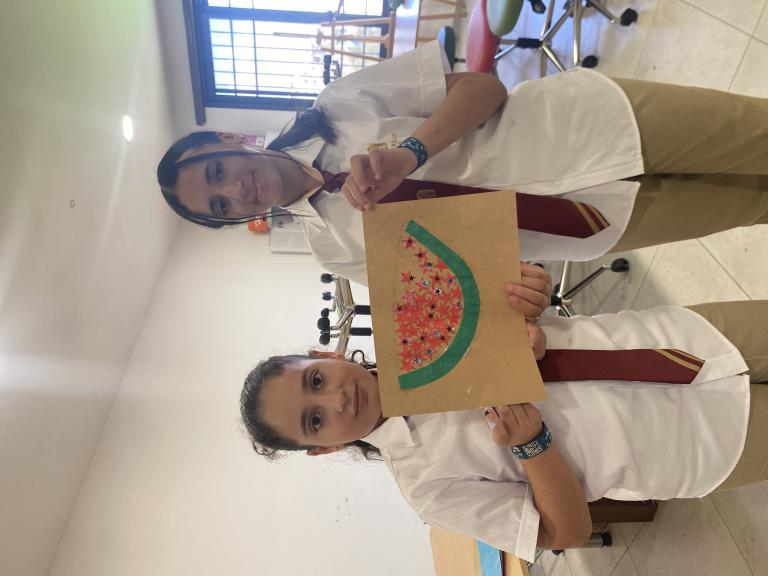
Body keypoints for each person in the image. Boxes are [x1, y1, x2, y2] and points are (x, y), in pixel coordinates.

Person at [157, 41, 768, 287]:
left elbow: (483, 87)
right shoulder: (334, 251)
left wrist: (411, 152)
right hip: (590, 222)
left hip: (590, 124)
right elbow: (453, 285)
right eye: (221, 205)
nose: (236, 190)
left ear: (229, 142)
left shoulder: (339, 103)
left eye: (216, 173)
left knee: (754, 135)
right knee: (751, 207)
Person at [239, 297, 768, 562]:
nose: (336, 399)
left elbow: (521, 299)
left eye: (315, 380)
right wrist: (532, 445)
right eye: (315, 420)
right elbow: (567, 534)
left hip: (681, 339)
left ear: (325, 355)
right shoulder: (428, 487)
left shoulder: (418, 320)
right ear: (326, 447)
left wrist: (530, 299)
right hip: (700, 443)